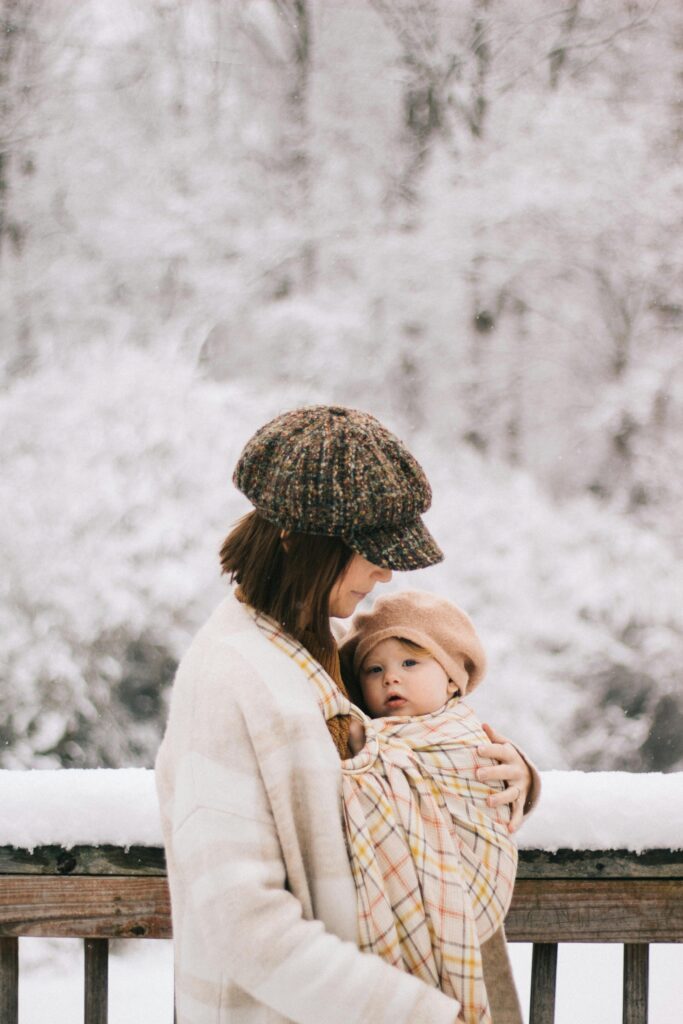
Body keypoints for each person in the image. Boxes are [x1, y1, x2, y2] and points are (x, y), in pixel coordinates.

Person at [155, 405, 536, 1024]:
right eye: (370, 550)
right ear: (297, 538)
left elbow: (404, 755)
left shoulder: (318, 652)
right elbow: (243, 922)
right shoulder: (228, 679)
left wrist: (501, 772)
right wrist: (421, 1015)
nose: (386, 572)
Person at [337, 590, 522, 1024]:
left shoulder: (468, 740)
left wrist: (525, 778)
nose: (391, 679)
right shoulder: (365, 745)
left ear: (452, 680)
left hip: (464, 911)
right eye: (374, 669)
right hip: (396, 916)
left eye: (409, 663)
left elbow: (483, 796)